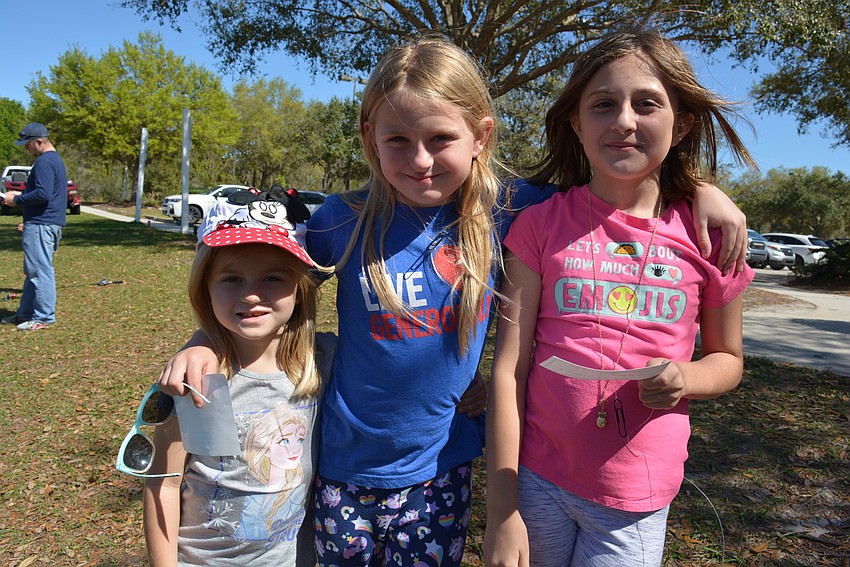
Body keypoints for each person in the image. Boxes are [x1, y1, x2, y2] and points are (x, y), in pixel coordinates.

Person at [157, 35, 748, 566]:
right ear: (370, 137)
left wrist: (695, 187)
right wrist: (204, 338)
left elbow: (617, 177)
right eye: (398, 139)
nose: (420, 160)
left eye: (441, 138)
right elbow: (255, 278)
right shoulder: (343, 220)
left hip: (441, 469)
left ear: (480, 136)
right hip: (341, 465)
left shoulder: (511, 211)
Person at [484, 29, 756, 567]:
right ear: (576, 124)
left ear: (682, 125)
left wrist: (687, 379)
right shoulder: (539, 225)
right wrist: (500, 510)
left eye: (647, 103)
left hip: (636, 497)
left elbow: (729, 360)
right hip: (537, 479)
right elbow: (509, 369)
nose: (625, 120)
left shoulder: (712, 236)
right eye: (603, 104)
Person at [142, 189, 336, 566]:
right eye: (231, 279)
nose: (250, 295)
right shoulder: (196, 377)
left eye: (272, 278)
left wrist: (465, 385)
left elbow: (394, 367)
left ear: (300, 286)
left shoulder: (323, 360)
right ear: (205, 289)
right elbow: (163, 483)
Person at [1, 123, 67, 331]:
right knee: (33, 271)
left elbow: (43, 194)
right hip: (43, 223)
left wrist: (16, 199)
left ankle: (44, 317)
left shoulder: (45, 162)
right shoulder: (53, 160)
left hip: (42, 224)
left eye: (28, 145)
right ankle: (25, 313)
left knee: (39, 271)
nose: (26, 149)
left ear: (39, 142)